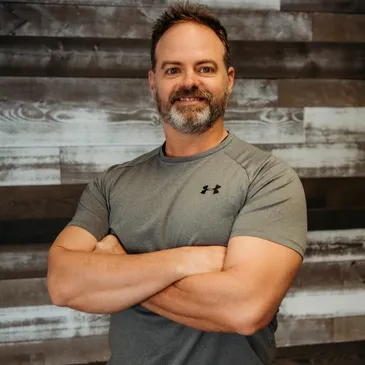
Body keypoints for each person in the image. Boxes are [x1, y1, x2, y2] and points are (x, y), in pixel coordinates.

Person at [47, 2, 307, 365]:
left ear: (228, 79)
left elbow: (245, 308)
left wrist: (120, 273)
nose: (190, 82)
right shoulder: (111, 184)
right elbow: (63, 283)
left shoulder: (267, 179)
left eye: (205, 68)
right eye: (173, 69)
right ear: (153, 81)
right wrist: (187, 261)